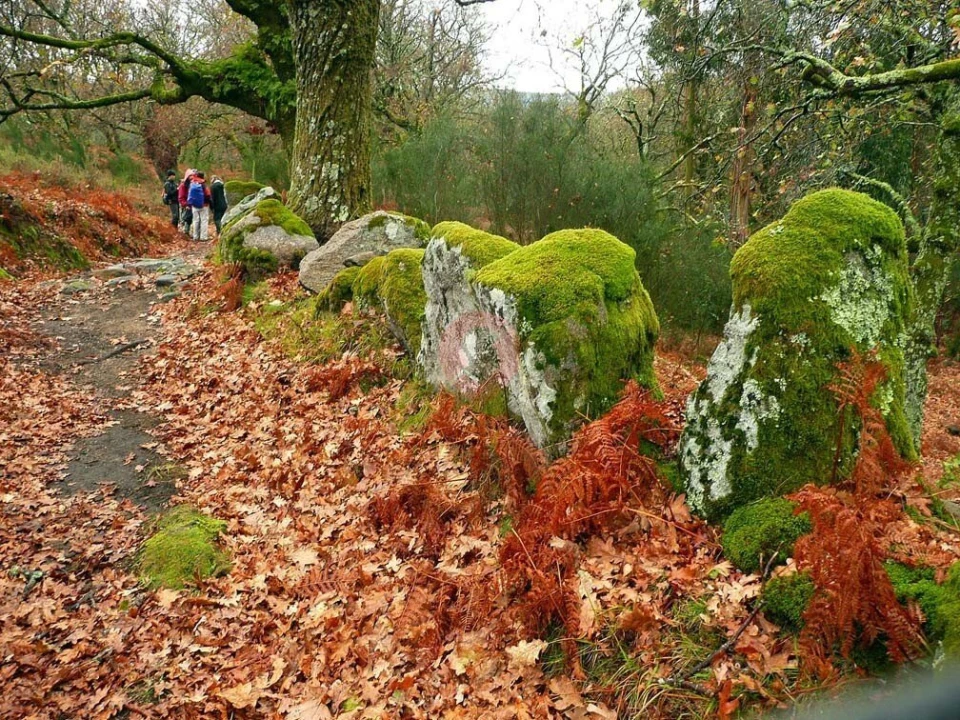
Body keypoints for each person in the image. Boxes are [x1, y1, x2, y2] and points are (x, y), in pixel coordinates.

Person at [187, 171, 213, 241]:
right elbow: (208, 194)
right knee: (204, 220)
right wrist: (208, 202)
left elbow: (189, 194)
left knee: (195, 220)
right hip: (204, 205)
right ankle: (203, 237)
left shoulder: (192, 183)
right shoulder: (203, 184)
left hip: (194, 205)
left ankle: (195, 236)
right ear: (202, 176)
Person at [178, 168, 196, 234]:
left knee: (189, 219)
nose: (192, 180)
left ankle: (187, 232)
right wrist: (185, 204)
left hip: (191, 205)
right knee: (184, 219)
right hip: (185, 205)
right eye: (190, 178)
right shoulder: (183, 186)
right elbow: (181, 197)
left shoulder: (193, 185)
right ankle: (183, 232)